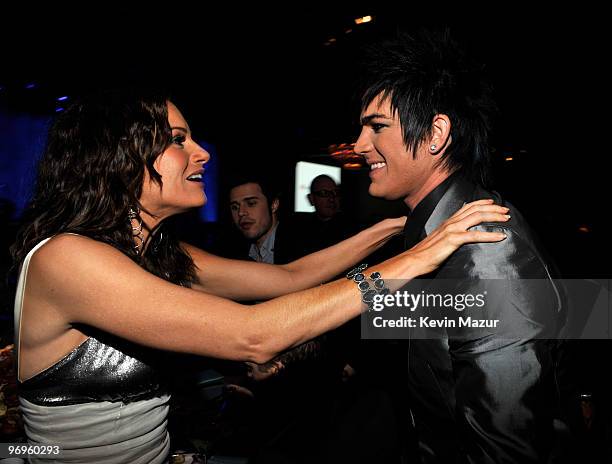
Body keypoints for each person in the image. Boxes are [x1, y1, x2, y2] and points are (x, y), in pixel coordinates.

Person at [10, 89, 510, 463]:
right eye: (179, 141)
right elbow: (254, 335)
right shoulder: (67, 258)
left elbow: (289, 277)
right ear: (116, 157)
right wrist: (417, 257)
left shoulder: (156, 252)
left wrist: (399, 225)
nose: (202, 153)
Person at [354, 29, 566, 463]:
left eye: (377, 128)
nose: (359, 146)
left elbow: (508, 447)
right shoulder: (429, 233)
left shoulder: (485, 247)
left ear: (435, 134)